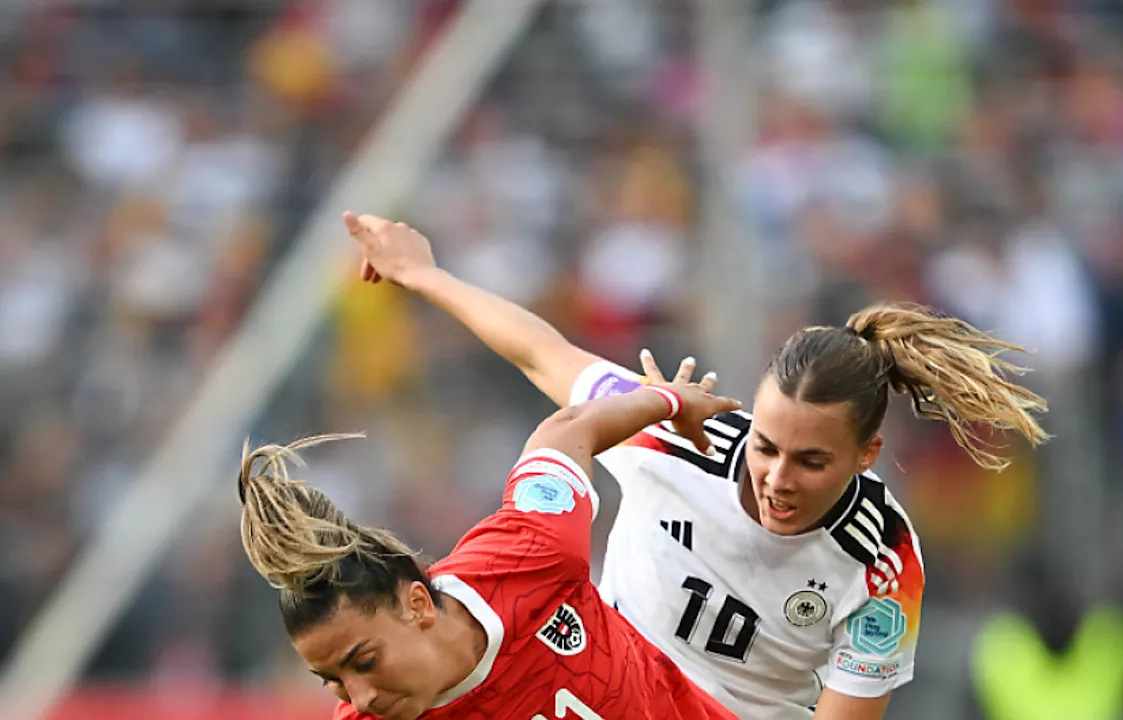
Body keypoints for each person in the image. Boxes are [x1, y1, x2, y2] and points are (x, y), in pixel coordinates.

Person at [343, 212, 1049, 720]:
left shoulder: (883, 562)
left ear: (867, 457)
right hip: (595, 693)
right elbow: (543, 353)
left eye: (811, 461)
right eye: (766, 446)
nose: (775, 478)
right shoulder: (674, 437)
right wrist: (425, 277)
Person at [237, 369, 743, 719]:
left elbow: (569, 429)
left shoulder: (524, 555)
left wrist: (674, 401)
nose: (361, 696)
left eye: (364, 661)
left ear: (416, 603)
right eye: (334, 681)